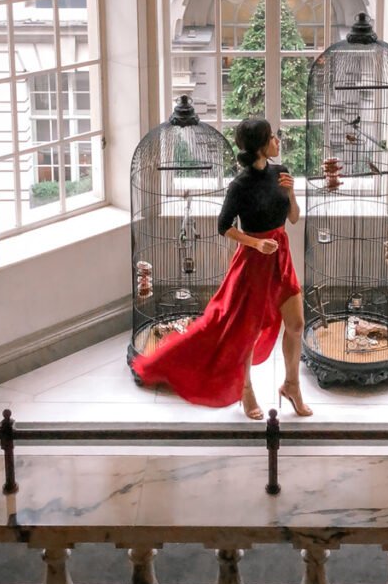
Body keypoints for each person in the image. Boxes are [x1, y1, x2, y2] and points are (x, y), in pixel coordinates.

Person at [132, 117, 313, 420]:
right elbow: (223, 227)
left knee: (295, 325)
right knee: (247, 332)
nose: (278, 141)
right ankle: (245, 390)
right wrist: (255, 244)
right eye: (272, 137)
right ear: (259, 146)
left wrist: (292, 194)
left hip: (281, 259)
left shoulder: (282, 174)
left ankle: (291, 385)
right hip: (253, 262)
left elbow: (293, 218)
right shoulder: (240, 186)